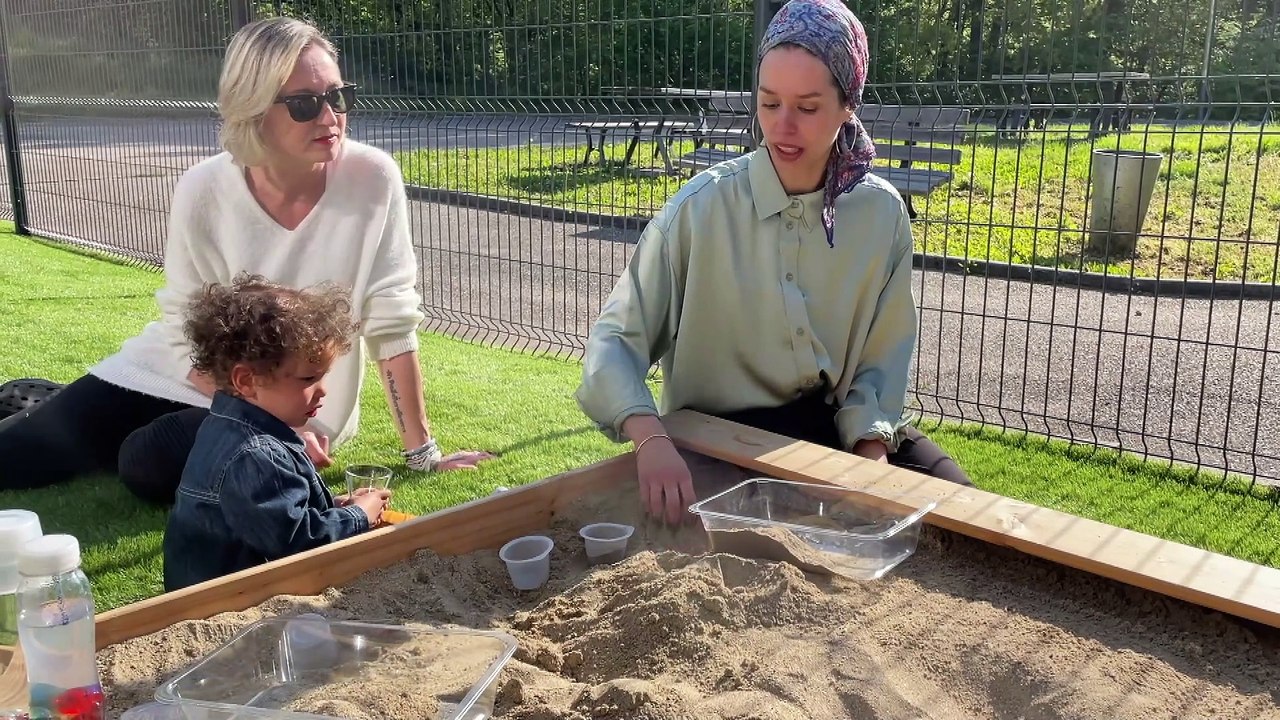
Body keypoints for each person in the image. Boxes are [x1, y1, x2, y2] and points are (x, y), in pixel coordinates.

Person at [0, 17, 492, 502]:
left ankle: (59, 407)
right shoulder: (204, 187)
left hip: (290, 402)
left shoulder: (373, 178)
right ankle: (47, 403)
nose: (330, 118)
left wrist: (422, 452)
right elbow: (185, 323)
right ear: (253, 110)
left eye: (338, 97)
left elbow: (391, 318)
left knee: (146, 465)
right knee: (15, 458)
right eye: (304, 104)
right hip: (186, 369)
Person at [574, 0, 972, 526]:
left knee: (971, 516)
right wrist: (650, 439)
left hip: (838, 427)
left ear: (848, 105)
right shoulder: (699, 210)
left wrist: (872, 455)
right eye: (768, 103)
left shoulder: (881, 215)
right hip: (718, 440)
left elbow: (881, 360)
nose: (782, 127)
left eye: (807, 108)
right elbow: (613, 343)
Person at [163, 274, 389, 591]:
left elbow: (276, 517)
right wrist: (357, 517)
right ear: (246, 381)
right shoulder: (254, 455)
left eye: (323, 377)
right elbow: (296, 544)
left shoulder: (230, 425)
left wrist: (334, 509)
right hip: (225, 603)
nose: (323, 391)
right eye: (308, 378)